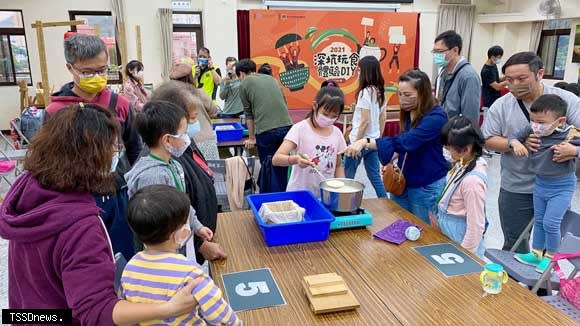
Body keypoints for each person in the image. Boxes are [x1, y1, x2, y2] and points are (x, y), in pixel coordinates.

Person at [0, 104, 201, 325]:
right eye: (112, 150)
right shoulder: (80, 226)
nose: (114, 158)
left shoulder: (29, 188)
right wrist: (168, 308)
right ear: (93, 157)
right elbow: (97, 311)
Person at [46, 34, 141, 260]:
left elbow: (135, 148)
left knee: (123, 255)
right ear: (70, 68)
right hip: (76, 200)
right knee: (87, 259)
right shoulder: (55, 112)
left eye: (102, 70)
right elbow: (49, 163)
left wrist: (127, 179)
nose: (97, 77)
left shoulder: (120, 105)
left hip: (118, 195)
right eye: (88, 72)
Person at [481, 51, 580, 253]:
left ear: (539, 74)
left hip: (556, 187)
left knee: (551, 236)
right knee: (515, 242)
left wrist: (574, 150)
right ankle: (514, 283)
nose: (514, 84)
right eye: (509, 80)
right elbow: (488, 139)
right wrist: (515, 143)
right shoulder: (501, 106)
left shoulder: (565, 100)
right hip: (516, 187)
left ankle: (544, 281)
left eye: (521, 78)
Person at [122, 185, 241, 326]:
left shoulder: (129, 267)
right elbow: (220, 315)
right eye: (186, 222)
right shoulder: (191, 273)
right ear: (177, 235)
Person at [343, 69, 449, 223]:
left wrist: (364, 142)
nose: (402, 99)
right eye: (400, 94)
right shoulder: (410, 111)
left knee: (423, 231)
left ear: (424, 93)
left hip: (425, 184)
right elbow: (403, 144)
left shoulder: (436, 118)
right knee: (399, 224)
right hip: (403, 180)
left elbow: (407, 141)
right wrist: (392, 159)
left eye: (408, 95)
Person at [150, 81, 227, 263]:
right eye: (192, 119)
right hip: (184, 250)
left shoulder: (184, 144)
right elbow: (170, 216)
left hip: (200, 235)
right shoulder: (164, 162)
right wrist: (200, 243)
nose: (195, 124)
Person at [125, 101, 214, 245]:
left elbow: (182, 203)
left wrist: (197, 226)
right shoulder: (153, 177)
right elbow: (153, 227)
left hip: (177, 241)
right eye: (183, 133)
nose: (187, 139)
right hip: (162, 250)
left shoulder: (174, 164)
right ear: (167, 140)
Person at [508, 95, 580, 272]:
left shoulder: (570, 133)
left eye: (541, 122)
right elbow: (513, 137)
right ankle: (536, 253)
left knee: (551, 222)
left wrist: (574, 150)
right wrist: (516, 143)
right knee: (539, 221)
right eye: (533, 121)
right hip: (540, 184)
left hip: (562, 187)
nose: (536, 126)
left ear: (560, 121)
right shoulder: (533, 130)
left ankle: (551, 258)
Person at [273, 86, 347, 197]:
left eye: (334, 116)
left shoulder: (337, 133)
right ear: (315, 106)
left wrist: (342, 189)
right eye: (326, 114)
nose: (329, 118)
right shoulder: (300, 129)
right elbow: (276, 159)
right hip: (299, 194)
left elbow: (338, 165)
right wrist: (295, 159)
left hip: (325, 196)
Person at [432, 116, 488, 257]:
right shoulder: (461, 164)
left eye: (448, 148)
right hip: (448, 230)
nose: (445, 151)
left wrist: (465, 257)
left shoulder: (472, 182)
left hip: (460, 236)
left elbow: (476, 226)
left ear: (466, 150)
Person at [237, 59, 293, 193]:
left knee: (269, 165)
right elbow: (284, 103)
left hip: (266, 131)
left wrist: (251, 138)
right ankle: (283, 194)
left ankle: (269, 198)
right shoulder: (271, 79)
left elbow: (249, 114)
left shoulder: (244, 83)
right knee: (282, 164)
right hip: (287, 127)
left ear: (241, 74)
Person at [344, 56, 387, 198]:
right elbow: (383, 117)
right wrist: (377, 137)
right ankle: (385, 202)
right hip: (372, 142)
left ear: (365, 72)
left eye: (359, 70)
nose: (358, 72)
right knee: (375, 176)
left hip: (359, 140)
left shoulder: (365, 92)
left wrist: (356, 142)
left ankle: (343, 204)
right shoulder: (380, 91)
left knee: (347, 177)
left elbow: (364, 121)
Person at [171, 63, 220, 160]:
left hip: (182, 144)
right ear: (190, 77)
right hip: (205, 139)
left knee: (191, 174)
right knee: (211, 171)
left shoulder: (170, 97)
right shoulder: (198, 93)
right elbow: (213, 111)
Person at [433, 30, 481, 124]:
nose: (436, 55)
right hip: (441, 128)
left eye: (439, 51)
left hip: (455, 133)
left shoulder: (468, 76)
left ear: (455, 50)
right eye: (434, 52)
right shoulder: (442, 72)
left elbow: (470, 116)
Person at [481, 46, 507, 114]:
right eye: (499, 57)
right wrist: (509, 81)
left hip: (495, 99)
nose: (500, 59)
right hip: (489, 101)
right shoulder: (486, 71)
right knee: (487, 122)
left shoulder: (493, 65)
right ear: (492, 57)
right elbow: (497, 87)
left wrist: (506, 77)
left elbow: (496, 79)